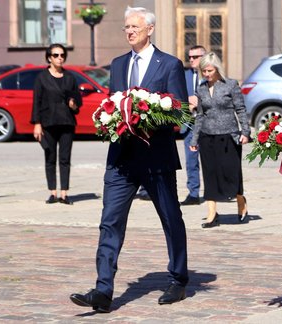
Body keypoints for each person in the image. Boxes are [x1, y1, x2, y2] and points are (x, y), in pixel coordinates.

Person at [69, 6, 189, 312]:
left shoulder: (169, 65)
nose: (129, 31)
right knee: (110, 221)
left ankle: (178, 278)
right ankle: (103, 290)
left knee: (170, 217)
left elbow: (178, 111)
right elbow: (112, 103)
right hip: (121, 158)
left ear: (150, 29)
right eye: (126, 27)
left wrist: (147, 114)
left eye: (134, 26)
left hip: (156, 156)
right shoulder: (119, 64)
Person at [189, 52, 251, 228]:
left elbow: (240, 109)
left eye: (209, 70)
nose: (207, 74)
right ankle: (211, 213)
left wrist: (245, 131)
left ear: (217, 68)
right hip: (207, 136)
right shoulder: (201, 88)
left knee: (231, 173)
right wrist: (194, 139)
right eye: (204, 71)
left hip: (229, 135)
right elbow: (200, 115)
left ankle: (241, 201)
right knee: (210, 174)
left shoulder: (230, 85)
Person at [31, 43, 82, 205]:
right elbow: (36, 102)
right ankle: (52, 192)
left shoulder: (70, 77)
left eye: (62, 55)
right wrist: (37, 123)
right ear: (49, 58)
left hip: (67, 122)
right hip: (48, 122)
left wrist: (74, 104)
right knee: (50, 157)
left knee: (65, 159)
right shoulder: (42, 78)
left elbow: (77, 100)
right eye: (56, 55)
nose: (60, 58)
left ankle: (64, 193)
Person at [180, 45, 206, 206]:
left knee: (212, 161)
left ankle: (216, 191)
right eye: (189, 57)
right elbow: (176, 95)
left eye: (195, 57)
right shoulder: (184, 76)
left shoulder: (211, 75)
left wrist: (200, 102)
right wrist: (186, 102)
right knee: (191, 161)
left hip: (208, 124)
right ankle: (193, 193)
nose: (191, 60)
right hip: (190, 123)